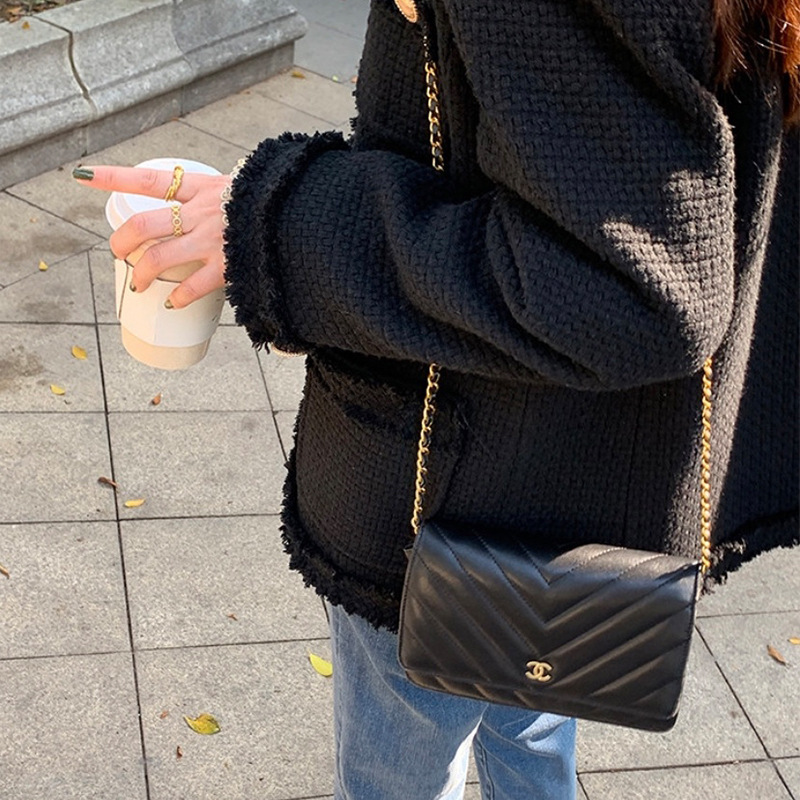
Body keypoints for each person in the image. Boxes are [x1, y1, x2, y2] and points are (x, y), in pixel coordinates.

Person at [73, 0, 799, 797]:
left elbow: (629, 287)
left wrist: (280, 224)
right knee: (530, 706)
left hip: (445, 483)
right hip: (562, 474)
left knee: (401, 767)